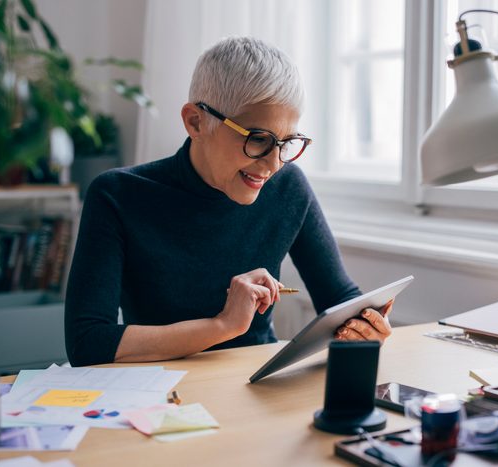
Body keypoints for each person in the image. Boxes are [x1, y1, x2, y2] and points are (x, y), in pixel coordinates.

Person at [64, 37, 393, 367]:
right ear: (196, 121)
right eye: (258, 139)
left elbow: (338, 299)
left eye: (286, 142)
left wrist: (366, 326)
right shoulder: (117, 195)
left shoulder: (287, 187)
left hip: (255, 386)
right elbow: (87, 341)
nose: (273, 163)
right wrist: (223, 326)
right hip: (157, 395)